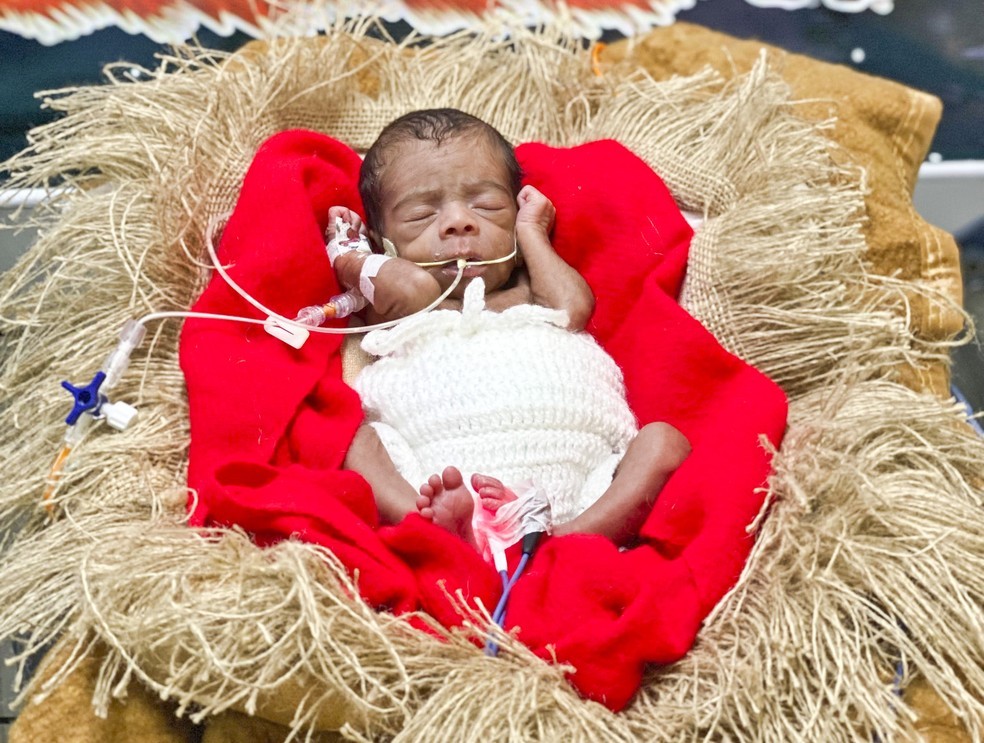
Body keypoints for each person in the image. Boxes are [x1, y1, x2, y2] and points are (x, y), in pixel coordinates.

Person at [330, 108, 690, 549]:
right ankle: (430, 529)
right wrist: (353, 258)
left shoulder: (533, 289)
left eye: (487, 206)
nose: (459, 222)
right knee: (352, 439)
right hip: (437, 480)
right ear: (384, 243)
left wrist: (531, 235)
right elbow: (405, 283)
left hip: (585, 481)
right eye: (423, 214)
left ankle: (572, 539)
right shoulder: (399, 301)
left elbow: (575, 308)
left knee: (664, 443)